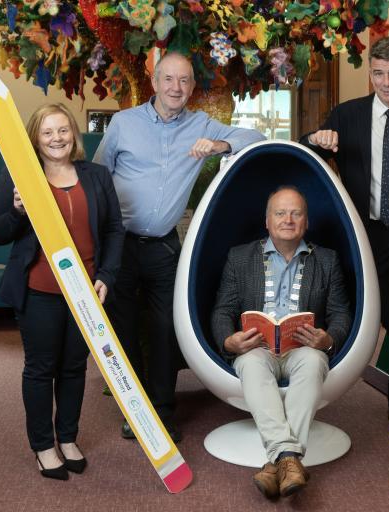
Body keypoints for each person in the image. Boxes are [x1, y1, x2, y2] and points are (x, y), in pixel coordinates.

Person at [94, 52, 265, 442]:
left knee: (165, 329)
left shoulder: (200, 124)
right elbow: (98, 178)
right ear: (154, 83)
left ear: (191, 86)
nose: (176, 88)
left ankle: (161, 410)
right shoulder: (124, 123)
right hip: (119, 243)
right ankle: (134, 409)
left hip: (165, 248)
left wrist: (219, 144)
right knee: (122, 328)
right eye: (169, 80)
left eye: (184, 81)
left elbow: (254, 137)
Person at [300, 36, 389, 432]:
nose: (387, 82)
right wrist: (317, 140)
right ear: (370, 74)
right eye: (379, 73)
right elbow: (305, 153)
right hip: (371, 236)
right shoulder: (347, 116)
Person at [0, 103, 125, 480]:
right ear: (35, 137)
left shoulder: (96, 176)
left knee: (74, 367)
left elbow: (114, 229)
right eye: (47, 132)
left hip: (85, 292)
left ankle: (67, 438)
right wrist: (17, 210)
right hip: (39, 291)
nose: (56, 138)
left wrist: (108, 275)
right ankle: (43, 445)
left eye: (63, 130)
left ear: (74, 135)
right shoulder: (19, 176)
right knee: (40, 368)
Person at [211, 186, 351, 499]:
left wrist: (328, 338)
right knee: (250, 364)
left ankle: (278, 461)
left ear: (306, 221)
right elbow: (222, 310)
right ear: (267, 220)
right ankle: (290, 459)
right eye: (280, 213)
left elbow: (341, 314)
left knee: (315, 360)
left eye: (296, 213)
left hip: (302, 349)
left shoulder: (327, 260)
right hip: (257, 349)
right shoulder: (240, 257)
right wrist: (229, 340)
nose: (288, 219)